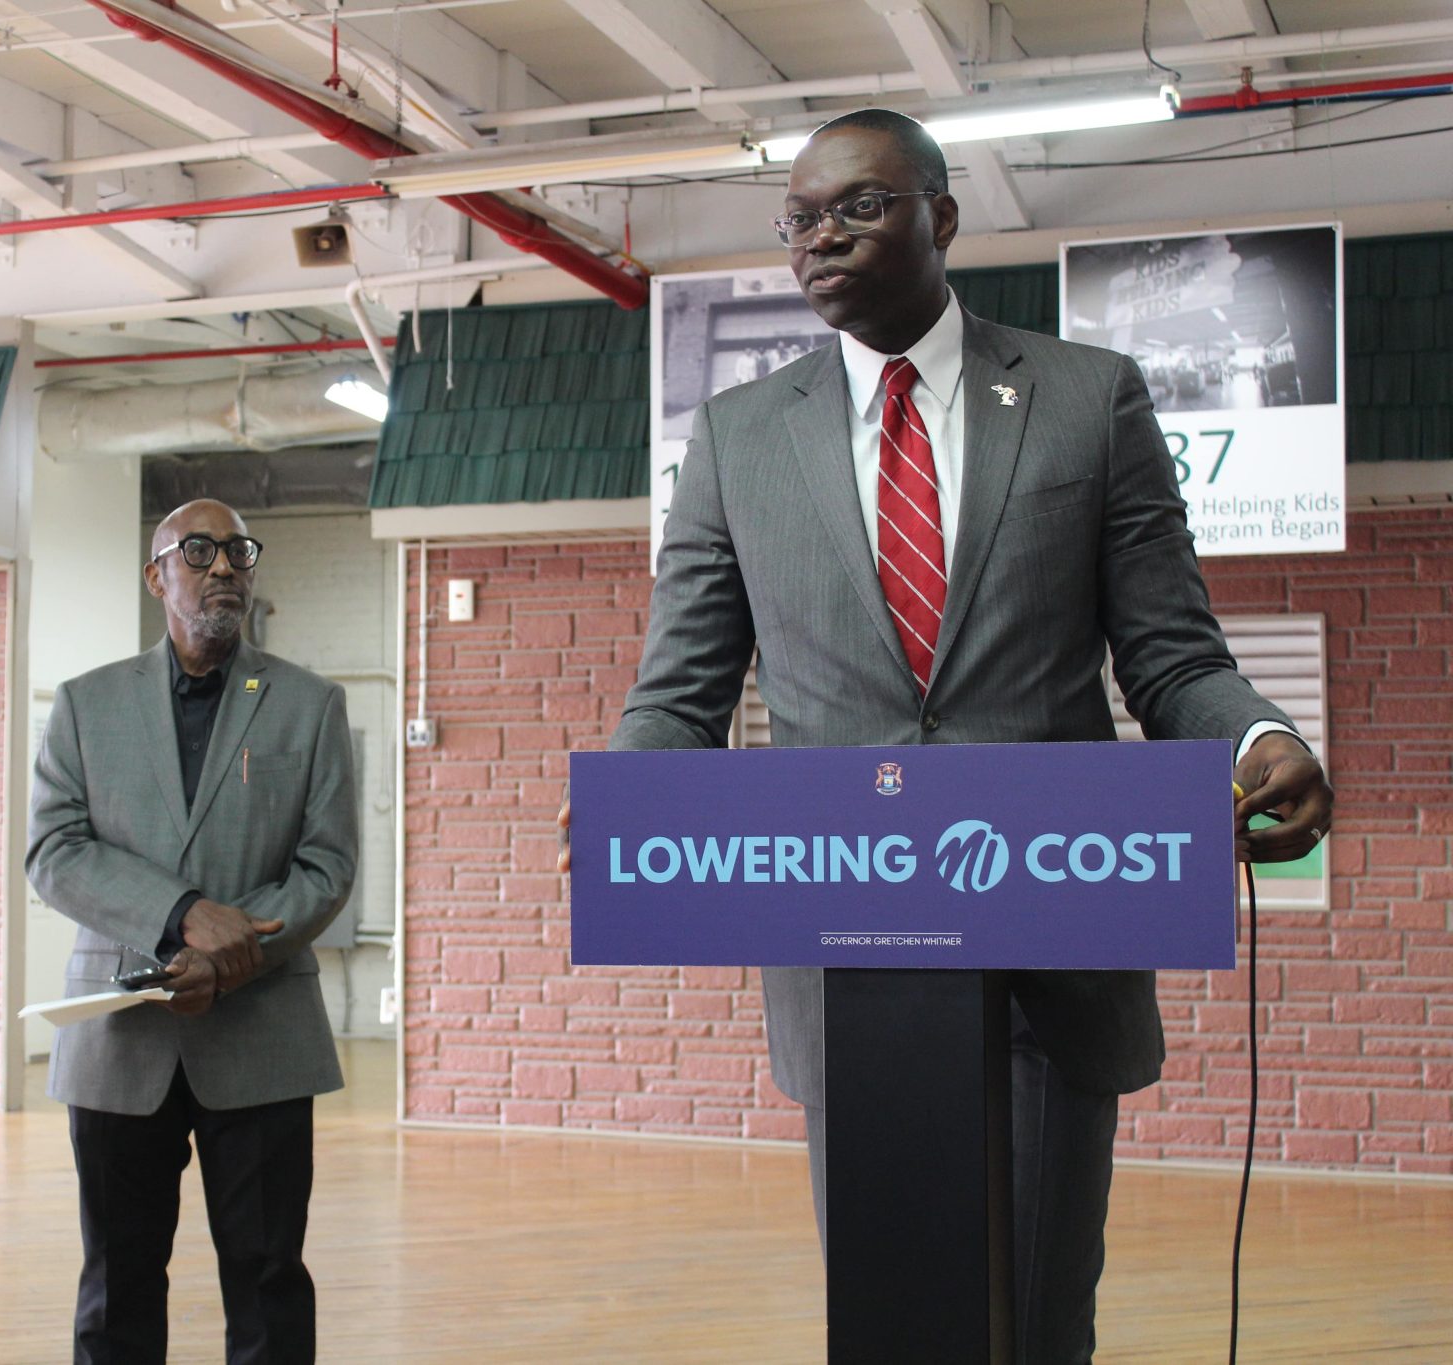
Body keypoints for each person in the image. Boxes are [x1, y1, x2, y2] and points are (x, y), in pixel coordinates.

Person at [564, 109, 1332, 1361]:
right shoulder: (738, 437)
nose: (820, 239)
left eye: (856, 208)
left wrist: (1252, 738)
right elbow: (677, 692)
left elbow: (1171, 653)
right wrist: (632, 802)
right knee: (888, 1317)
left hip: (1054, 934)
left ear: (940, 215)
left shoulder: (1086, 399)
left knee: (1034, 1324)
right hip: (846, 952)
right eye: (798, 220)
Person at [27, 497, 357, 1365]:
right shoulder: (84, 705)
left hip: (263, 1036)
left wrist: (232, 956)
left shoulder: (309, 704)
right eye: (199, 550)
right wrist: (180, 916)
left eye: (238, 551)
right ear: (156, 576)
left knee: (269, 1287)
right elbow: (52, 852)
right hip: (118, 1038)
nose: (223, 567)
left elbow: (327, 867)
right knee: (119, 1286)